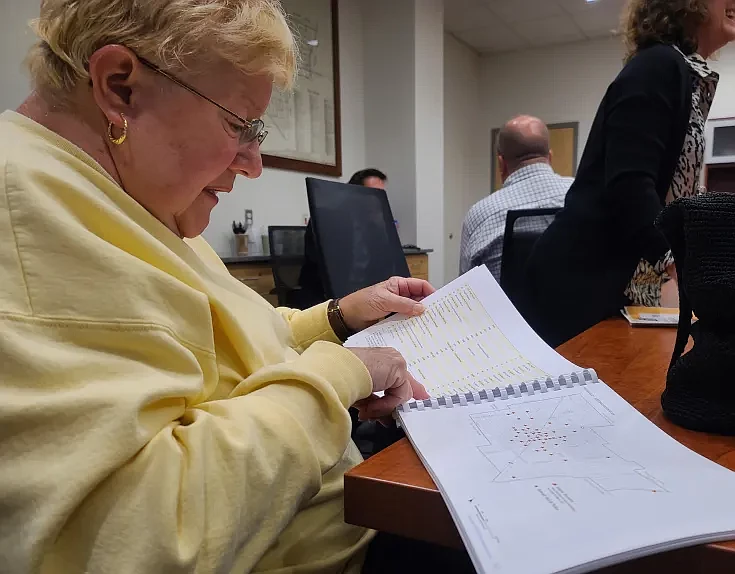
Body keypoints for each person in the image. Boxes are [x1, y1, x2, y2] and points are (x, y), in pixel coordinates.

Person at [0, 2, 435, 572]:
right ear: (120, 87)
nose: (253, 163)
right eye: (238, 126)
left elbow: (227, 338)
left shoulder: (139, 200)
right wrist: (343, 374)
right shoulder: (29, 217)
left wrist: (337, 318)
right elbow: (133, 537)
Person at [521, 0, 735, 347]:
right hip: (580, 285)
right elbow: (630, 185)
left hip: (603, 282)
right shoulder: (660, 64)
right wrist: (680, 265)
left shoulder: (678, 71)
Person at [459, 115, 572, 279]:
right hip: (583, 304)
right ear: (550, 157)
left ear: (501, 163)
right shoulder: (584, 197)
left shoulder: (479, 215)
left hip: (501, 306)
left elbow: (466, 288)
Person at [296, 168, 389, 310]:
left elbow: (384, 265)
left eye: (382, 195)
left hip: (364, 296)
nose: (379, 200)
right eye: (374, 194)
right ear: (354, 194)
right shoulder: (327, 219)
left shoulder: (374, 226)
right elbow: (325, 268)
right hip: (326, 298)